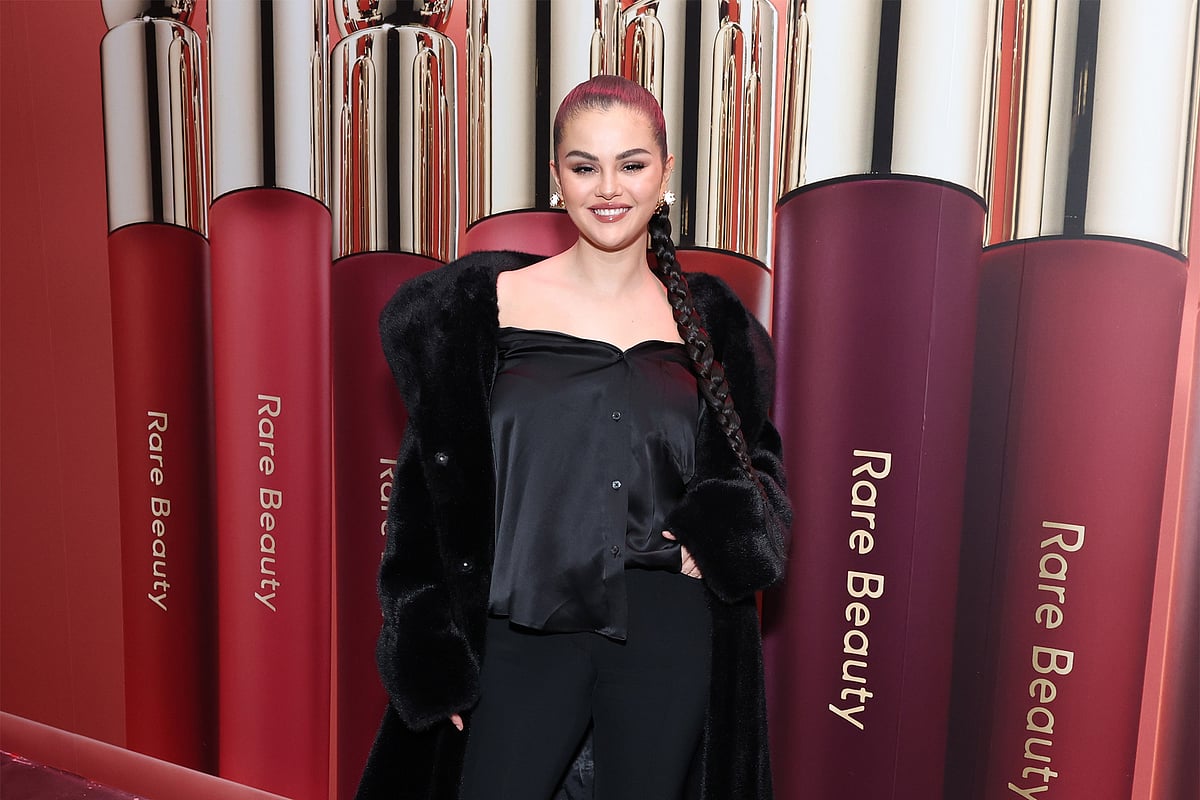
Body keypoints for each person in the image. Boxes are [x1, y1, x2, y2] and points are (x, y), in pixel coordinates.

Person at [355, 75, 791, 800]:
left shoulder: (715, 324)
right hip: (519, 629)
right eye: (585, 166)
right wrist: (428, 646)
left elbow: (760, 472)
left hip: (666, 631)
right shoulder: (479, 307)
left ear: (665, 174)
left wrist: (718, 537)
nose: (608, 187)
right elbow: (425, 502)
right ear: (556, 176)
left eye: (632, 164)